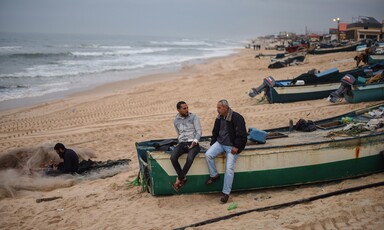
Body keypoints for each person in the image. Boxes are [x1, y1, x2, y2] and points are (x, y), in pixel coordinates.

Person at [205, 99, 247, 203]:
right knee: (208, 154)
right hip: (220, 143)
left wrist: (236, 146)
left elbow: (242, 135)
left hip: (232, 146)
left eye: (219, 108)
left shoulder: (237, 118)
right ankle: (214, 175)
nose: (217, 110)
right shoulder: (219, 118)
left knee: (229, 168)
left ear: (226, 108)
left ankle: (226, 193)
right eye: (217, 107)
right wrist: (213, 144)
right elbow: (215, 132)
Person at [170, 101, 202, 192]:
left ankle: (179, 180)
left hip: (193, 142)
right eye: (184, 108)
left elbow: (199, 131)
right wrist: (180, 142)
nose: (187, 110)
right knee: (173, 157)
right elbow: (178, 133)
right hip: (182, 143)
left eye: (187, 108)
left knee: (190, 158)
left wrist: (195, 141)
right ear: (178, 110)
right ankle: (183, 178)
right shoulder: (176, 120)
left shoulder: (194, 117)